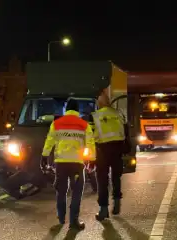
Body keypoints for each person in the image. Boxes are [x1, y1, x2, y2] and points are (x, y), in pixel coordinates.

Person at [40, 99, 96, 230]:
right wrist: (92, 160)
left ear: (66, 109)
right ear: (77, 110)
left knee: (61, 191)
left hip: (61, 163)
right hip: (77, 163)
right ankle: (73, 221)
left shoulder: (56, 123)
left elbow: (49, 141)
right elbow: (90, 144)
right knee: (76, 192)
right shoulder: (84, 124)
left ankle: (61, 217)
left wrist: (44, 156)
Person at [92, 90, 131, 221]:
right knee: (116, 177)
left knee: (102, 180)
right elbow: (125, 131)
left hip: (102, 149)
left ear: (100, 102)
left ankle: (103, 210)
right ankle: (117, 203)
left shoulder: (96, 116)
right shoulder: (118, 113)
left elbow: (93, 136)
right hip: (118, 148)